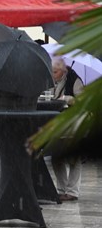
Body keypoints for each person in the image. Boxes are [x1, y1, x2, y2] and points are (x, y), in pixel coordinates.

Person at [0, 82, 37, 210]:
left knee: (2, 160)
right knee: (23, 161)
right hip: (27, 117)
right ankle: (24, 197)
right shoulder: (34, 71)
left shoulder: (0, 71)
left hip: (3, 118)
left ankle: (0, 196)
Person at [50, 57, 84, 201]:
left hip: (73, 123)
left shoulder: (74, 80)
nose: (53, 74)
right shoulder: (53, 82)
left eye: (55, 72)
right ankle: (61, 189)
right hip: (57, 123)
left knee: (74, 158)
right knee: (56, 156)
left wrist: (68, 99)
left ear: (63, 70)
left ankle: (72, 191)